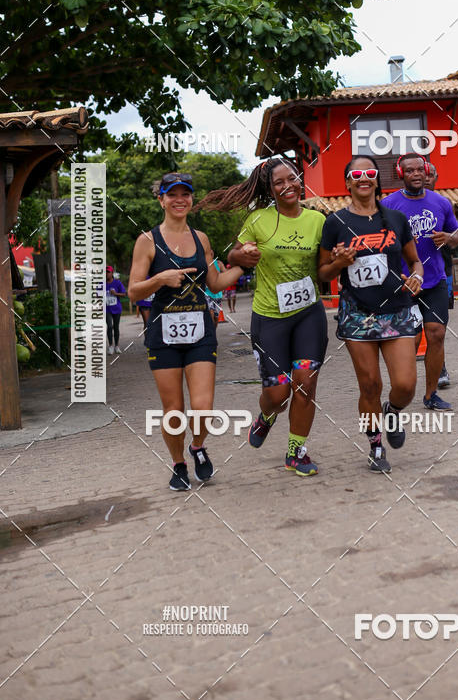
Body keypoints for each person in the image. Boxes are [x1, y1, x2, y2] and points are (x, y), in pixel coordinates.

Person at [200, 157, 327, 477]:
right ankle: (266, 416)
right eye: (279, 183)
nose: (288, 186)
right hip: (270, 318)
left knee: (305, 384)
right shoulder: (259, 220)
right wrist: (242, 255)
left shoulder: (317, 220)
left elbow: (326, 265)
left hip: (309, 315)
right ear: (269, 190)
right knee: (278, 393)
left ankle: (296, 452)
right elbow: (233, 254)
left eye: (292, 178)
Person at [128, 172, 244, 491]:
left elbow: (216, 283)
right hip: (163, 336)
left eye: (186, 194)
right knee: (174, 411)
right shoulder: (147, 241)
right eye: (172, 194)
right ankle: (179, 464)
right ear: (161, 199)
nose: (180, 200)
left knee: (203, 408)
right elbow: (134, 292)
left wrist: (244, 265)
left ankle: (197, 447)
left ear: (191, 199)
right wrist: (159, 279)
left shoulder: (201, 238)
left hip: (200, 331)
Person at [319, 157, 424, 472]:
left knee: (405, 385)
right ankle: (376, 446)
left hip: (397, 310)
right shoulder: (335, 222)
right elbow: (323, 272)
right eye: (356, 174)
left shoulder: (395, 218)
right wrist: (340, 263)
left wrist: (416, 276)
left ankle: (391, 411)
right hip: (358, 313)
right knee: (369, 385)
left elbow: (414, 261)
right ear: (348, 183)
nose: (363, 178)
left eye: (370, 173)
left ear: (377, 180)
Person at [382, 153, 458, 411]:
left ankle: (431, 395)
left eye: (421, 170)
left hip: (435, 279)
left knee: (437, 334)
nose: (417, 174)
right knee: (410, 340)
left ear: (427, 172)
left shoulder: (441, 202)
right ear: (400, 173)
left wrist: (449, 237)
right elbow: (376, 239)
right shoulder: (388, 204)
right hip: (403, 281)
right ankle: (403, 391)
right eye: (410, 170)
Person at [425, 163, 454, 389]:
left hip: (442, 272)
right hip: (409, 278)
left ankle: (440, 368)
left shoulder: (443, 205)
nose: (424, 178)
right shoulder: (397, 205)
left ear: (436, 177)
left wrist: (449, 237)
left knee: (438, 327)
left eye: (429, 174)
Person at [105, 265, 126, 354]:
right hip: (107, 309)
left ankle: (117, 346)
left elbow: (124, 294)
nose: (106, 274)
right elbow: (96, 295)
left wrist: (115, 293)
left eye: (108, 272)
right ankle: (110, 346)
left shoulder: (117, 283)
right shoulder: (101, 284)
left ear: (112, 273)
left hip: (117, 308)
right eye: (105, 272)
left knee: (116, 327)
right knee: (109, 326)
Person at [205, 259, 225, 328]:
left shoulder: (219, 263)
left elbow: (225, 273)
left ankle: (213, 333)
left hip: (217, 294)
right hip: (206, 293)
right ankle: (211, 334)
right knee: (211, 314)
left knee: (216, 318)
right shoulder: (202, 262)